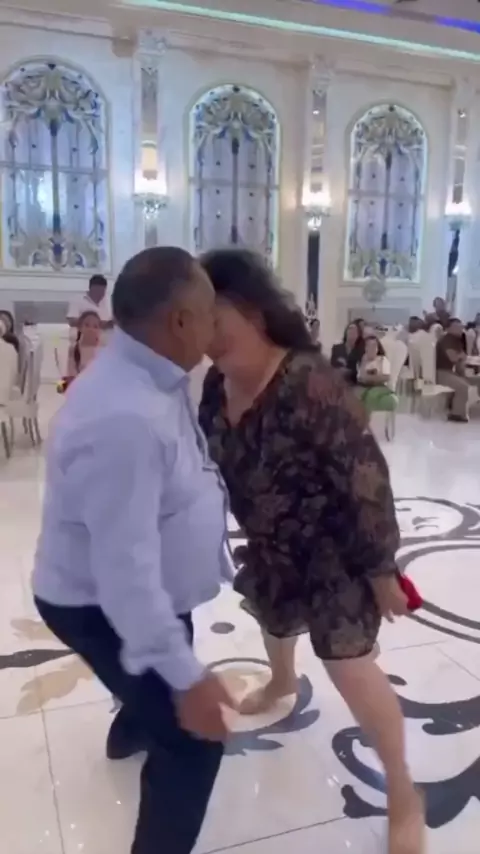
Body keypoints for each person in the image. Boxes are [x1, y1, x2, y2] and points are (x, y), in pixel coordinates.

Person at [199, 248, 424, 854]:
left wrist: (381, 569)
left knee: (349, 666)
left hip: (333, 549)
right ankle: (281, 681)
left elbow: (366, 478)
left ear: (251, 309)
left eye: (216, 317)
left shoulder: (307, 382)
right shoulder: (217, 384)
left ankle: (404, 792)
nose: (207, 335)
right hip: (270, 542)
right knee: (274, 619)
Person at [32, 247, 234, 854]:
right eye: (209, 314)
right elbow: (125, 576)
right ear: (179, 321)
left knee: (165, 654)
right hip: (95, 601)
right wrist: (188, 682)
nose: (215, 326)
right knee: (194, 742)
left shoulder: (152, 372)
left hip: (150, 590)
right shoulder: (124, 416)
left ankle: (131, 729)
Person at [436, 317, 479, 422]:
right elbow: (454, 358)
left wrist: (461, 358)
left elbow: (461, 358)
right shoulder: (447, 340)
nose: (460, 330)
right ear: (449, 328)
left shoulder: (456, 341)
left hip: (451, 372)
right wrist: (461, 356)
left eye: (461, 327)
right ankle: (457, 413)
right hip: (441, 372)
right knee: (463, 386)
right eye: (457, 327)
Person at [65, 310, 103, 381]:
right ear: (80, 327)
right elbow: (70, 376)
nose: (91, 329)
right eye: (87, 325)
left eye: (95, 326)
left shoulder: (105, 352)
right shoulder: (73, 350)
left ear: (99, 330)